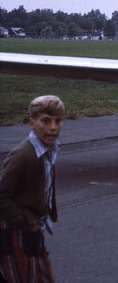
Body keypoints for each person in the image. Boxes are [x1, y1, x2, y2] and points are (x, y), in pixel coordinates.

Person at [0, 95, 64, 282]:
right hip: (15, 230)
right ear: (32, 123)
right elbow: (1, 195)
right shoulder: (23, 156)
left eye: (58, 121)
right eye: (46, 121)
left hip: (34, 227)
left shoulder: (49, 149)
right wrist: (25, 221)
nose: (53, 127)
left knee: (42, 275)